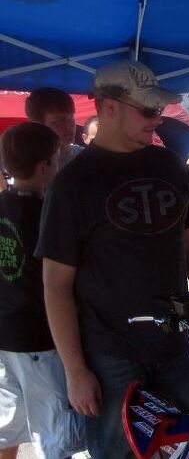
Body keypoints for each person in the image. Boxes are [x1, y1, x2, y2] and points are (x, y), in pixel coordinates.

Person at [36, 60, 189, 459]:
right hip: (108, 355)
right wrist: (75, 372)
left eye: (159, 108)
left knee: (184, 450)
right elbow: (55, 283)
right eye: (147, 109)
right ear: (107, 107)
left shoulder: (170, 165)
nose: (157, 119)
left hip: (173, 347)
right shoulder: (72, 183)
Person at [0, 123, 84, 459]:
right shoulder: (45, 214)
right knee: (53, 432)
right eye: (56, 158)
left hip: (5, 333)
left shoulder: (2, 203)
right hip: (38, 335)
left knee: (8, 424)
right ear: (44, 167)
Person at [25, 87, 84, 169]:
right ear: (38, 126)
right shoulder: (23, 163)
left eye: (71, 119)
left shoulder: (86, 158)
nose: (69, 127)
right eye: (58, 122)